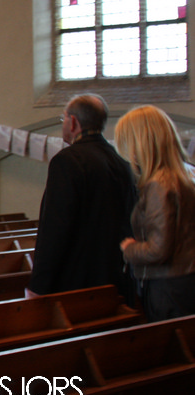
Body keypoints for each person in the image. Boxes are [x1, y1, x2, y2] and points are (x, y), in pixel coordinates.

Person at [26, 94, 137, 302]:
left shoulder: (67, 161)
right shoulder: (121, 162)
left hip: (78, 283)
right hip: (115, 279)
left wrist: (39, 285)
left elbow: (55, 229)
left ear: (73, 122)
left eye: (64, 119)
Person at [115, 105, 195, 322]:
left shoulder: (159, 184)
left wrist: (130, 249)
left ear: (141, 144)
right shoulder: (187, 173)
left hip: (169, 286)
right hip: (187, 279)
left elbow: (158, 250)